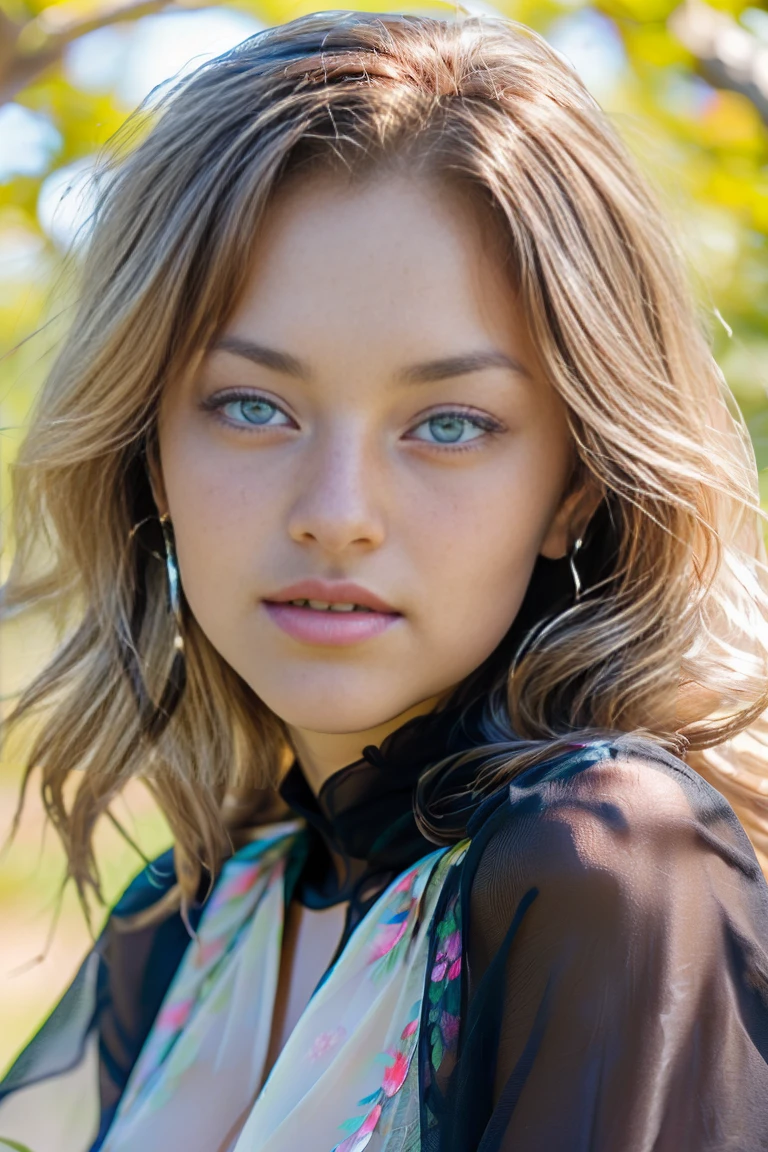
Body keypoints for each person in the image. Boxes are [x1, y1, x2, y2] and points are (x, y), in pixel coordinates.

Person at [2, 9, 768, 1150]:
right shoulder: (186, 916)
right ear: (145, 450)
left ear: (576, 489)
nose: (336, 516)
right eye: (252, 406)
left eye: (450, 424)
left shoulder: (605, 860)